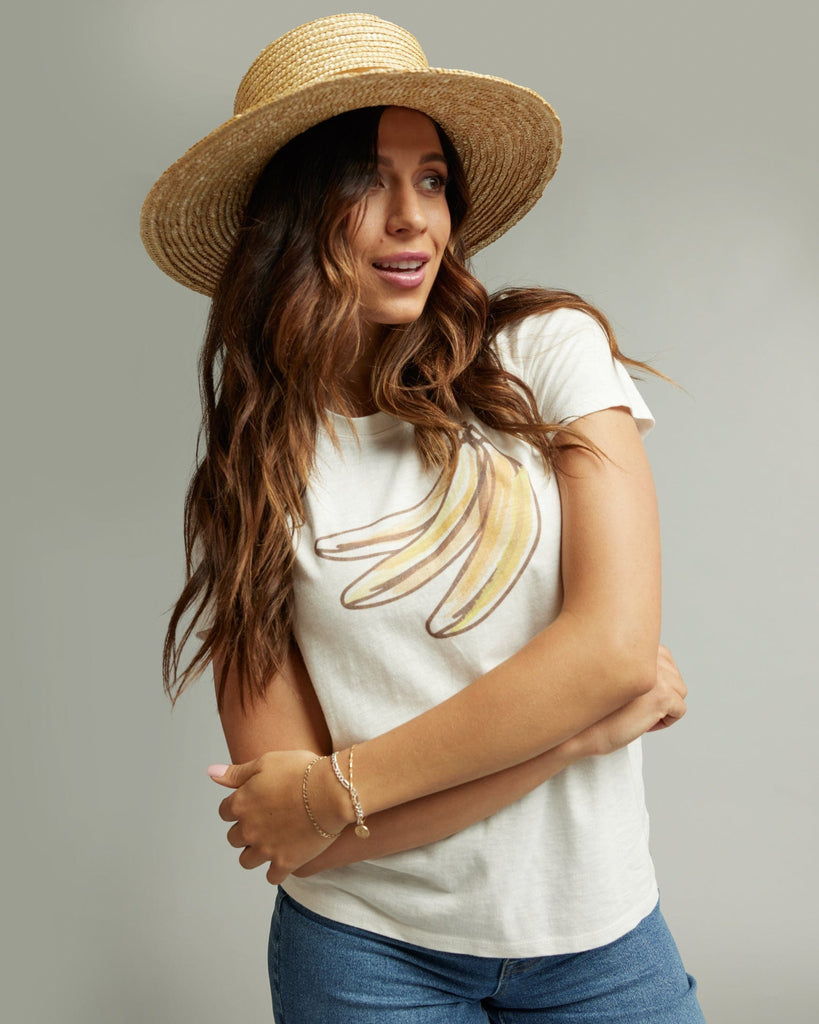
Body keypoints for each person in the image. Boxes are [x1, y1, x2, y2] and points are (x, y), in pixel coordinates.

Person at [141, 13, 705, 1023]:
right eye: (366, 179)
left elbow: (616, 653)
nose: (413, 218)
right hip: (364, 957)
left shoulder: (550, 352)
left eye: (432, 178)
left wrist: (336, 790)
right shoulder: (252, 468)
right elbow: (293, 831)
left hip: (602, 940)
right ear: (290, 213)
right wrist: (573, 740)